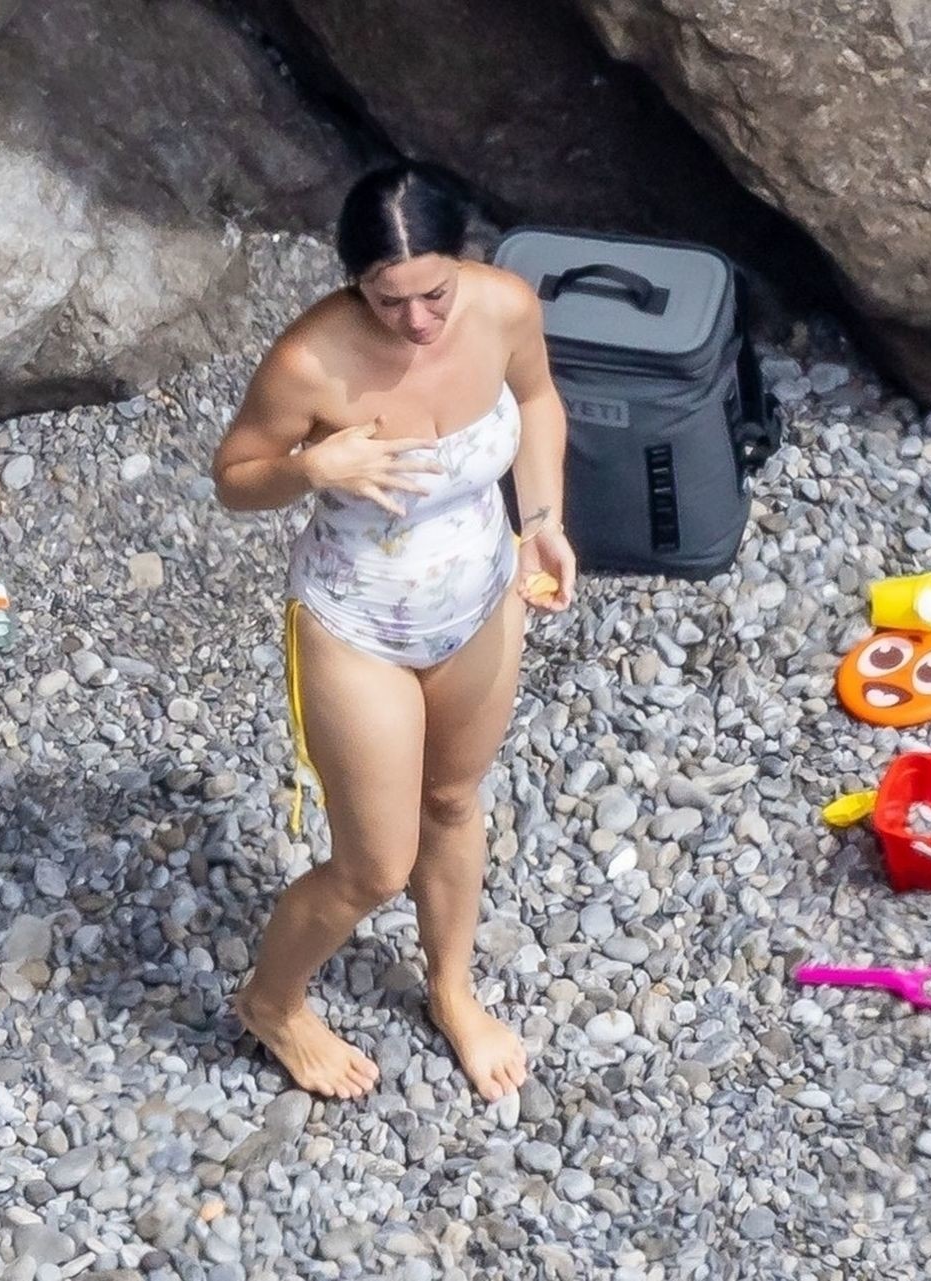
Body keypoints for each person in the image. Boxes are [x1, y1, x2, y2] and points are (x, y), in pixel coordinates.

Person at [211, 162, 576, 1102]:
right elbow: (234, 478)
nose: (416, 320)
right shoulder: (312, 361)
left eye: (433, 294)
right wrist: (310, 467)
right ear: (354, 284)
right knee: (373, 865)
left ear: (462, 262)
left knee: (451, 801)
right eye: (388, 299)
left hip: (482, 596)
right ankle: (272, 1002)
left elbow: (538, 399)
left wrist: (542, 519)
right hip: (358, 623)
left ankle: (452, 989)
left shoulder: (504, 308)